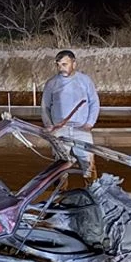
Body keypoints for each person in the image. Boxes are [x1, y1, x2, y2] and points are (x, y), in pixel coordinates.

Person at [41, 49, 101, 179]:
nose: (61, 68)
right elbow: (45, 106)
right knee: (59, 166)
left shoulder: (85, 81)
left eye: (64, 64)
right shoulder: (52, 83)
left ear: (74, 63)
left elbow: (94, 102)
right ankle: (61, 195)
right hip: (60, 130)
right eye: (58, 65)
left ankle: (93, 192)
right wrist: (49, 125)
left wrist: (90, 123)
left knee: (88, 165)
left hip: (81, 130)